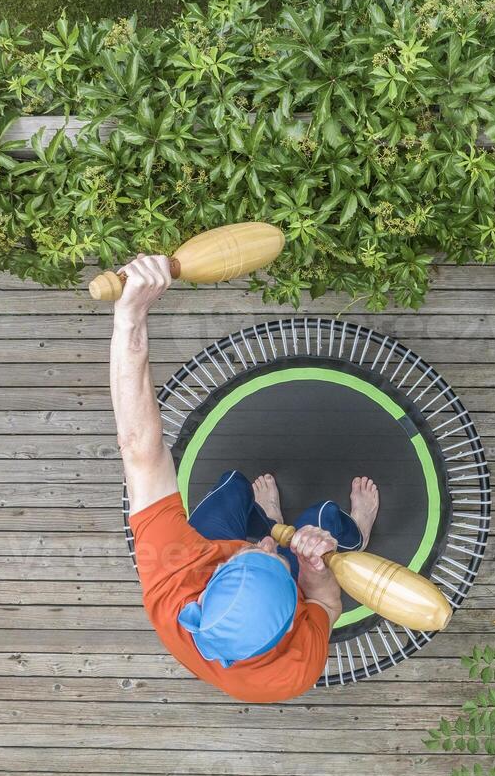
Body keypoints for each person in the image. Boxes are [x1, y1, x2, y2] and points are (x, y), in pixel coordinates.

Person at [108, 254, 379, 702]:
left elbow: (139, 449)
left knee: (234, 485)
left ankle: (265, 517)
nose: (268, 543)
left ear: (207, 591)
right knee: (322, 519)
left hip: (203, 559)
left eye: (254, 553)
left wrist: (130, 316)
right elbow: (327, 605)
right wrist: (312, 569)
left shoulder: (175, 581)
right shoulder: (292, 672)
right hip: (291, 583)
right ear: (289, 616)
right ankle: (358, 538)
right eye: (271, 556)